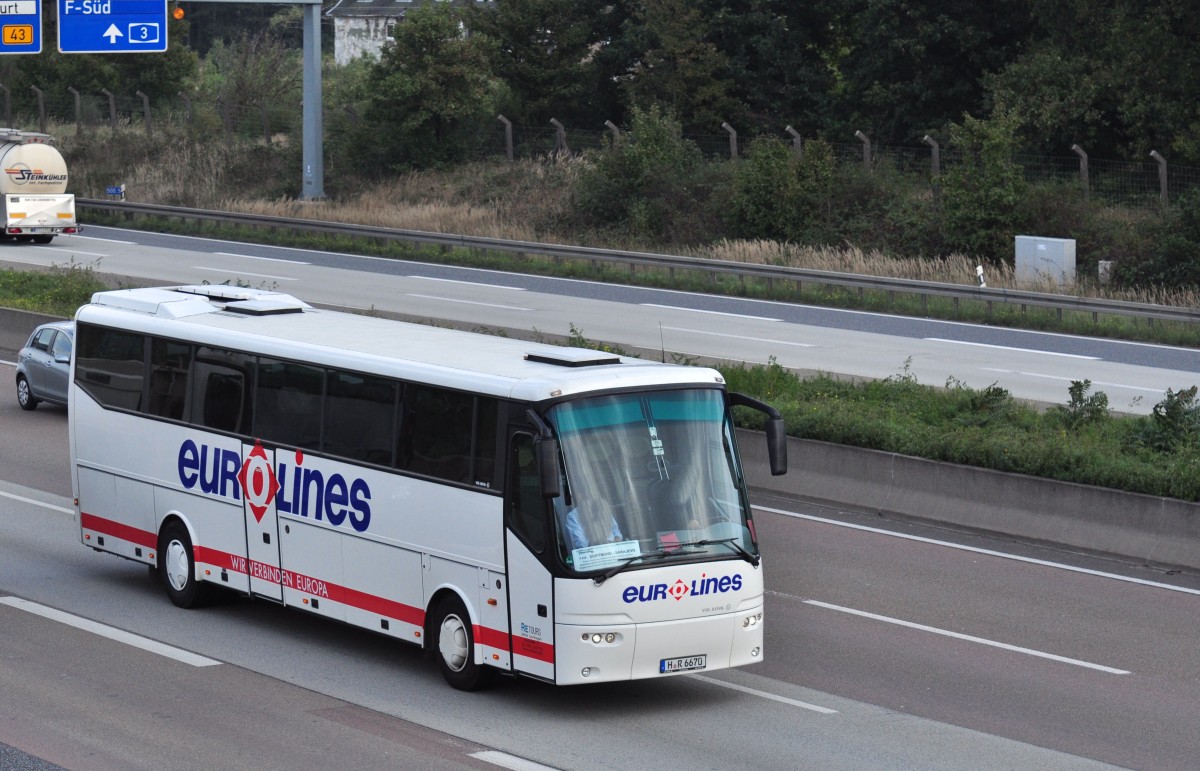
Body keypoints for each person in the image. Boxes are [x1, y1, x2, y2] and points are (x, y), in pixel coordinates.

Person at [558, 497, 623, 550]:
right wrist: (602, 544)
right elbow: (581, 546)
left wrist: (616, 540)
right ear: (579, 496)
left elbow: (616, 530)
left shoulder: (602, 507)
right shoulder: (573, 516)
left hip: (614, 552)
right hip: (592, 558)